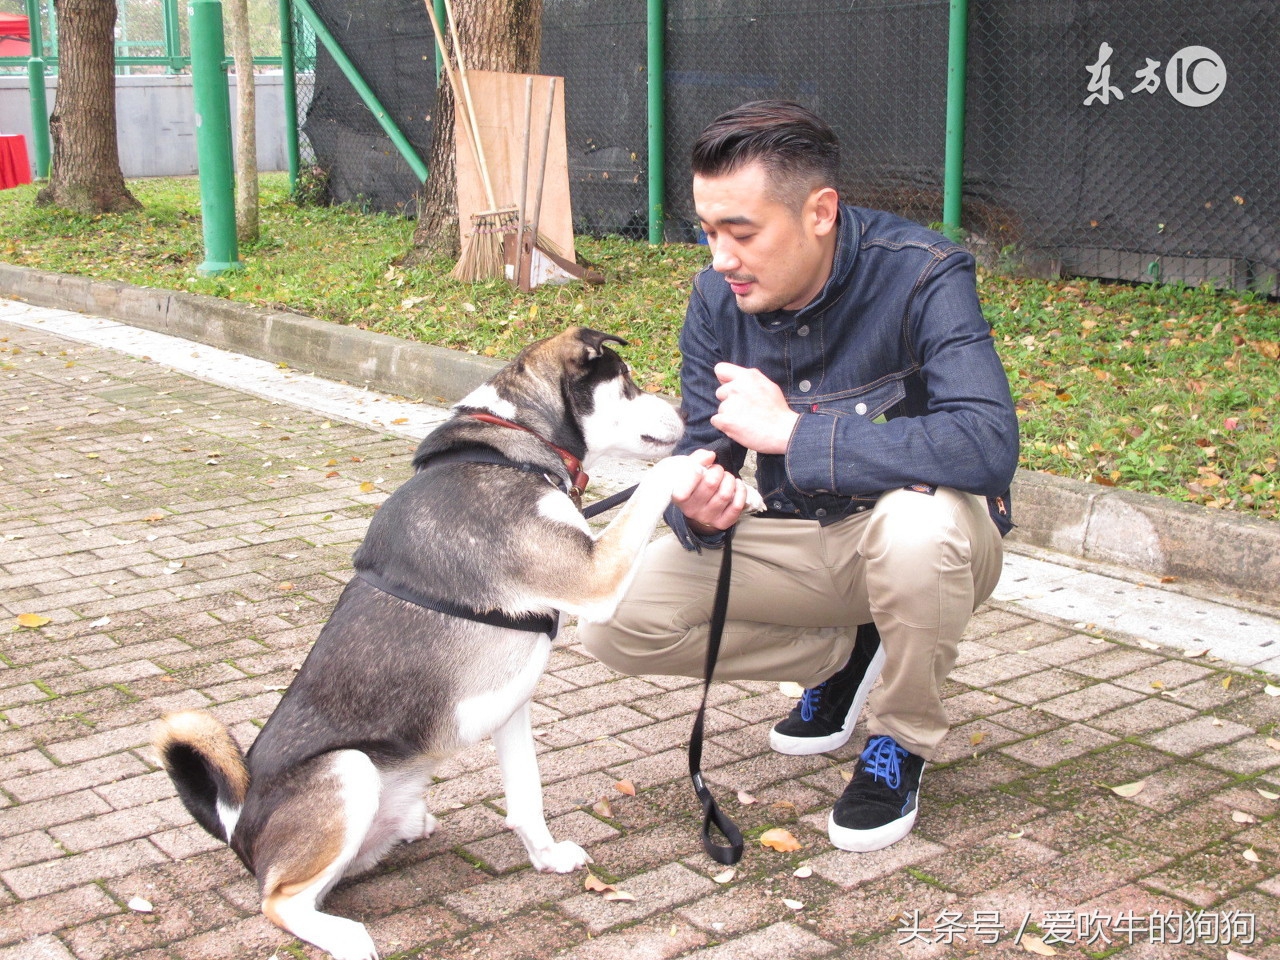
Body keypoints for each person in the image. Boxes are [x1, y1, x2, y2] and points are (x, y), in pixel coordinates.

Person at [578, 100, 1019, 853]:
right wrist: (701, 505)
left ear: (820, 211)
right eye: (708, 231)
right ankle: (847, 655)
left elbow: (985, 442)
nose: (721, 257)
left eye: (741, 233)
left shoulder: (924, 274)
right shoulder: (717, 298)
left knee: (917, 531)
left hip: (924, 544)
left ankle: (901, 739)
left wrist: (796, 434)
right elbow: (705, 446)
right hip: (797, 543)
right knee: (612, 618)